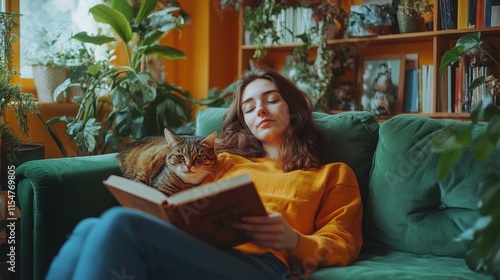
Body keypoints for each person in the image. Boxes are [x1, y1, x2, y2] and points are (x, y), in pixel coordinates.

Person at [46, 68, 363, 280]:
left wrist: (293, 240)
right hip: (198, 249)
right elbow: (185, 205)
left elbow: (342, 243)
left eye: (271, 100)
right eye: (249, 108)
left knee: (119, 223)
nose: (261, 111)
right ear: (245, 121)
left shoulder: (332, 175)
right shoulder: (224, 162)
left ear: (293, 109)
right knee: (89, 226)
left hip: (261, 265)